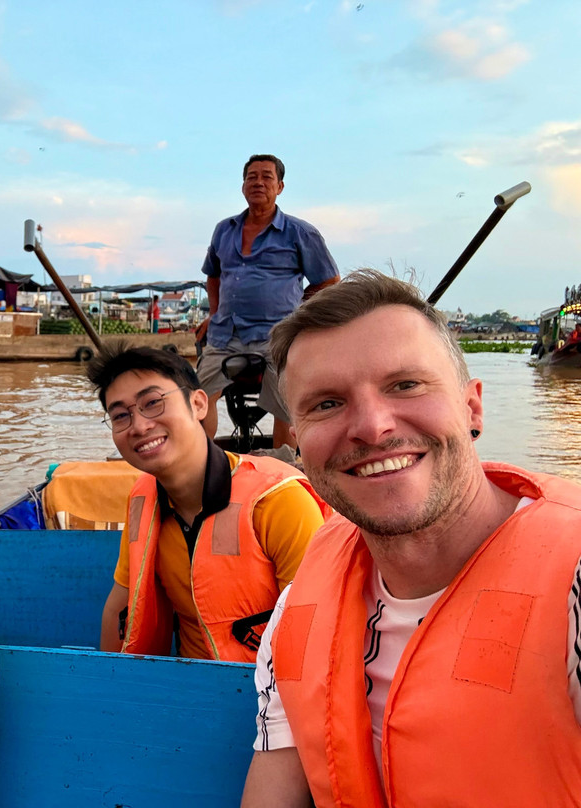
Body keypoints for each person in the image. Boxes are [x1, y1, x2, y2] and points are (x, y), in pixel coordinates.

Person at [241, 270, 581, 807]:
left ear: (472, 407)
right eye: (327, 404)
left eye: (405, 385)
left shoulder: (574, 581)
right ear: (297, 442)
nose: (373, 427)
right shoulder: (298, 607)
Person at [86, 344, 328, 663]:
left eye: (153, 403)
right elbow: (121, 603)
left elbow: (318, 634)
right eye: (121, 415)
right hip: (192, 685)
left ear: (199, 404)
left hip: (273, 695)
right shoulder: (142, 498)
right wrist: (109, 690)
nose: (140, 426)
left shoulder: (279, 502)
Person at [196, 154, 339, 448]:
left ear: (280, 187)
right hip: (226, 333)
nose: (258, 182)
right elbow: (214, 275)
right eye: (251, 177)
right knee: (197, 396)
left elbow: (329, 281)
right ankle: (200, 459)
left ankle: (283, 466)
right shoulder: (225, 229)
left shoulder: (300, 232)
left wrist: (298, 311)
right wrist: (214, 313)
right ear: (243, 186)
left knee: (287, 399)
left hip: (277, 335)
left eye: (266, 177)